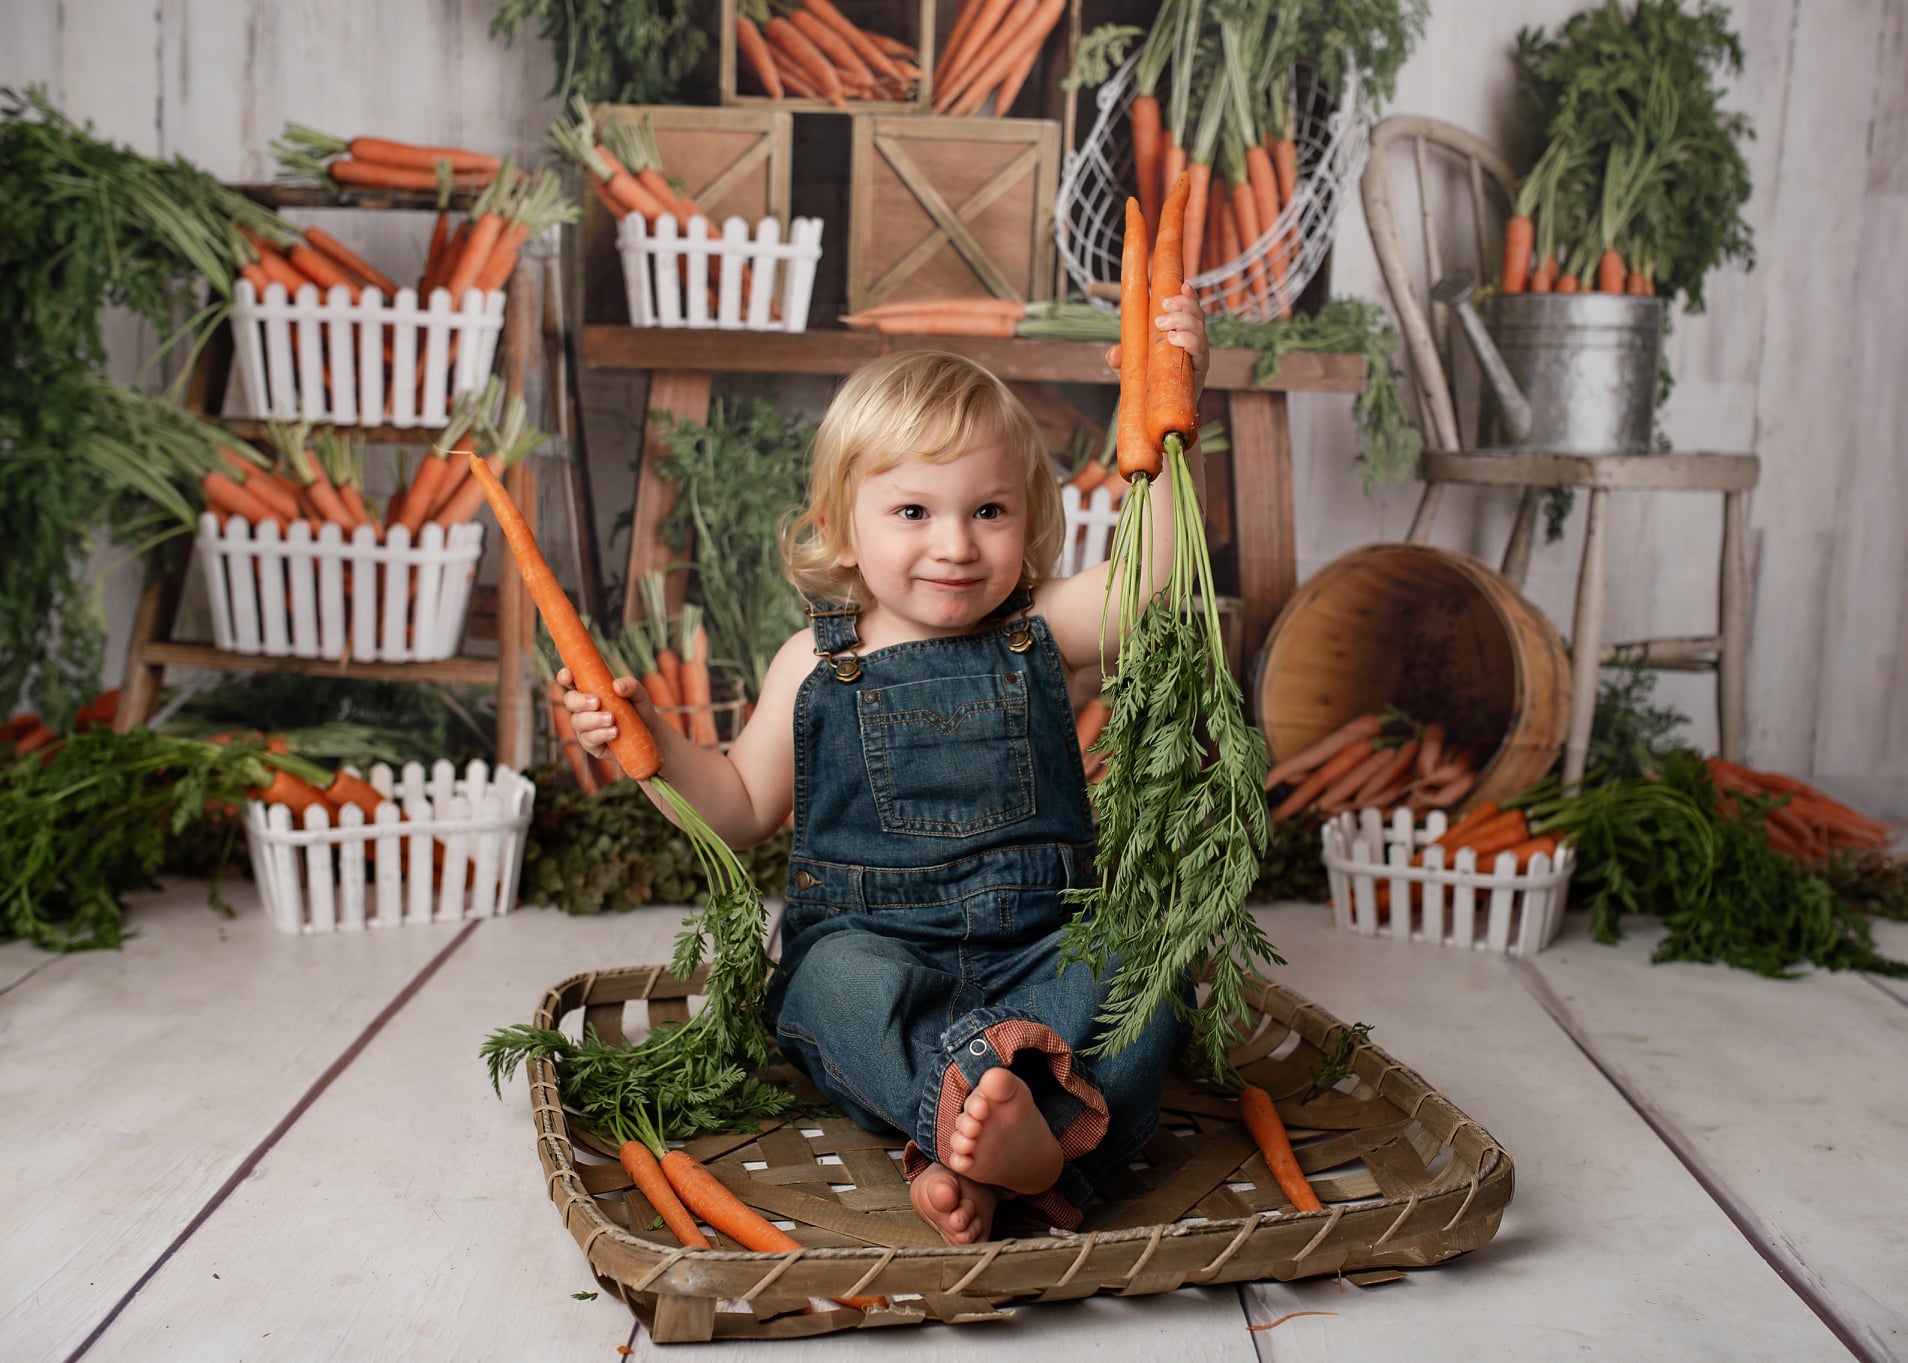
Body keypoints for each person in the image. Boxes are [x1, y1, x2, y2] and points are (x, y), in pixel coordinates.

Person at [561, 291, 1211, 1243]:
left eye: (988, 510)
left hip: (1043, 949)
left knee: (1146, 965)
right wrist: (644, 737)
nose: (955, 543)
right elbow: (736, 805)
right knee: (830, 987)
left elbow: (1151, 576)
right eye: (913, 510)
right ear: (841, 527)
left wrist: (1170, 412)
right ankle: (990, 1130)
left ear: (1030, 517)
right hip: (876, 945)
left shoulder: (1043, 628)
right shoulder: (813, 663)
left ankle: (994, 1148)